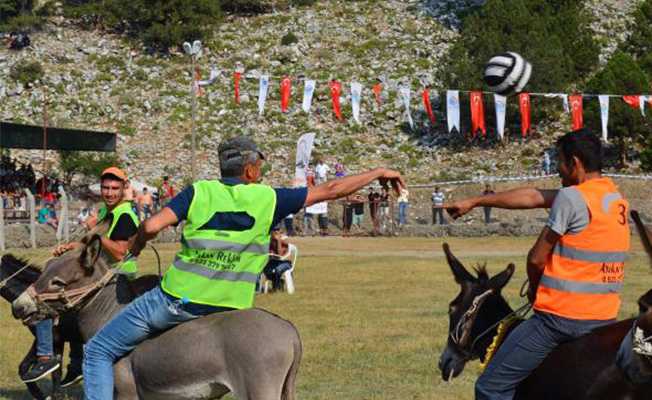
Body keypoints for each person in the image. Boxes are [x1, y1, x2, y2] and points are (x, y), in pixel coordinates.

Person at [81, 136, 405, 400]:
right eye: (259, 167)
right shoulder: (269, 198)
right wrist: (377, 172)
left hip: (176, 301)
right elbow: (333, 190)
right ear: (250, 170)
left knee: (97, 350)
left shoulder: (200, 192)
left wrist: (134, 249)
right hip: (231, 305)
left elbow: (151, 225)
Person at [443, 129, 630, 400]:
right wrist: (475, 201)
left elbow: (536, 258)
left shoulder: (571, 198)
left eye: (560, 163)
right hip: (604, 316)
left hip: (560, 319)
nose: (558, 171)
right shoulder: (614, 199)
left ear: (575, 163)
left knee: (489, 387)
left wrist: (534, 287)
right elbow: (532, 197)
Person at [22, 168, 139, 385]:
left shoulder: (125, 216)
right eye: (106, 187)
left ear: (124, 189)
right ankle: (76, 364)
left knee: (53, 297)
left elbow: (121, 252)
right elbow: (90, 248)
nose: (110, 192)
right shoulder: (106, 211)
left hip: (117, 278)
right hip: (98, 274)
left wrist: (95, 234)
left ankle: (48, 355)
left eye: (115, 188)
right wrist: (70, 247)